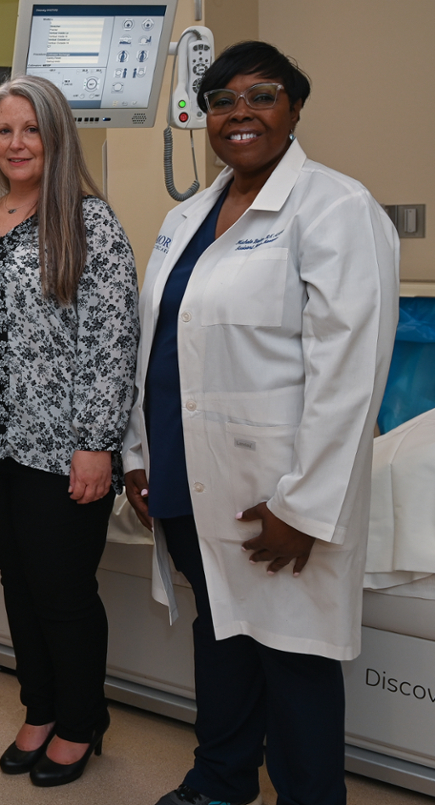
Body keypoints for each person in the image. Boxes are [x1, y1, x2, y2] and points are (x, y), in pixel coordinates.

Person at [122, 41, 399, 805]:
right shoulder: (186, 217)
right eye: (221, 99)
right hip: (187, 476)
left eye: (261, 95)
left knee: (295, 659)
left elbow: (351, 375)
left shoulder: (338, 209)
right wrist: (139, 455)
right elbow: (158, 345)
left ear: (295, 108)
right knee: (222, 637)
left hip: (274, 492)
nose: (239, 112)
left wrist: (306, 506)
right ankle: (222, 777)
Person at [0, 75, 139, 787]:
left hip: (60, 446)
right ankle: (41, 706)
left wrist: (98, 443)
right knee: (17, 582)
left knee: (61, 590)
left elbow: (112, 343)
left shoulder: (90, 223)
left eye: (30, 129)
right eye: (4, 130)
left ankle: (82, 720)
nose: (16, 142)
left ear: (56, 136)